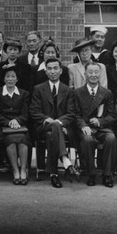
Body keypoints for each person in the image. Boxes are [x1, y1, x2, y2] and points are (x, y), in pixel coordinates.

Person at [29, 58, 78, 188]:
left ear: (61, 71)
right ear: (46, 72)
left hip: (62, 129)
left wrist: (59, 122)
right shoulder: (38, 89)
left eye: (55, 68)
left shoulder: (68, 90)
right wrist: (47, 119)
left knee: (52, 134)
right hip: (42, 127)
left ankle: (53, 174)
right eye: (49, 69)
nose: (52, 71)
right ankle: (65, 160)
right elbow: (34, 111)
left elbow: (71, 113)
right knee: (53, 128)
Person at [73, 61, 117, 188]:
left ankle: (107, 174)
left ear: (100, 73)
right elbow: (75, 114)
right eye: (90, 72)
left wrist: (100, 121)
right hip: (85, 128)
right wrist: (83, 126)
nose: (93, 75)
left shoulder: (106, 93)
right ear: (85, 74)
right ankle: (91, 173)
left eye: (96, 72)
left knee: (111, 138)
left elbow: (112, 115)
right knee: (87, 140)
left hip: (102, 128)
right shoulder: (77, 92)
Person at [0, 66, 30, 185]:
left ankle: (23, 169)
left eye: (13, 76)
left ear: (17, 79)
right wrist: (8, 122)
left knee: (23, 139)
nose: (10, 79)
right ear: (3, 79)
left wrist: (17, 120)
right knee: (11, 140)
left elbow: (26, 113)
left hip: (20, 125)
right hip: (2, 126)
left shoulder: (24, 94)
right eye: (7, 76)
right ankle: (15, 170)